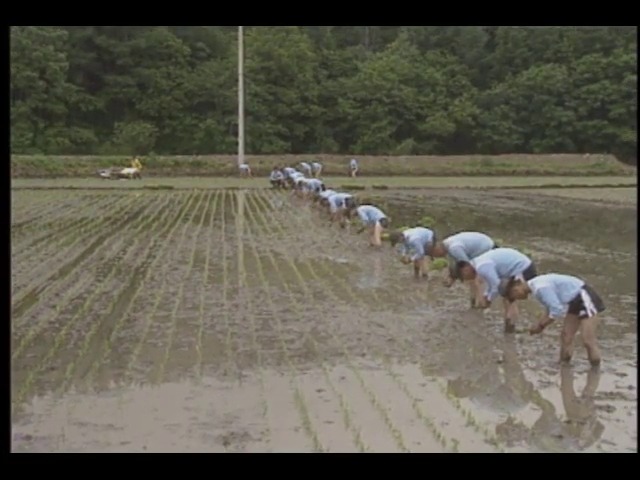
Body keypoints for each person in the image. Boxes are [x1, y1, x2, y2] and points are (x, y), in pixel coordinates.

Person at [502, 273, 605, 366]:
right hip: (573, 301)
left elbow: (557, 311)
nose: (517, 299)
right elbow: (550, 307)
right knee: (566, 336)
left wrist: (541, 326)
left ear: (515, 288)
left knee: (587, 340)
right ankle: (564, 365)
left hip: (583, 296)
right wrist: (539, 324)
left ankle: (595, 372)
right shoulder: (536, 287)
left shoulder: (540, 287)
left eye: (513, 296)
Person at [457, 247, 538, 333]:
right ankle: (510, 329)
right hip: (517, 267)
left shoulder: (481, 267)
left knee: (509, 298)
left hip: (523, 268)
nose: (467, 279)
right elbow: (491, 282)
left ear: (465, 270)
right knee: (507, 297)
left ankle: (510, 331)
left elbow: (496, 285)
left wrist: (488, 300)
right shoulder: (478, 263)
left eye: (464, 277)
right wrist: (486, 295)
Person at [430, 231, 499, 306]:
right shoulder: (447, 243)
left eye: (435, 254)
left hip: (486, 248)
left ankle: (479, 302)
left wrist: (453, 278)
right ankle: (475, 301)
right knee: (472, 278)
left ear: (437, 248)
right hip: (480, 246)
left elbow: (466, 266)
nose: (437, 257)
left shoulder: (454, 248)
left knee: (475, 278)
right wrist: (452, 277)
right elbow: (455, 263)